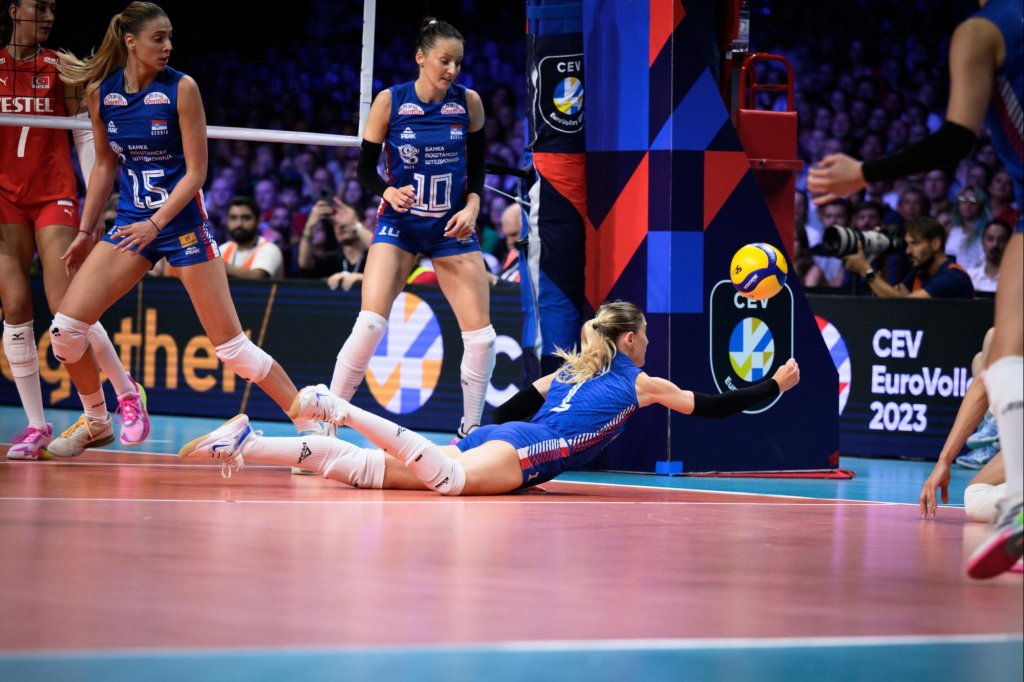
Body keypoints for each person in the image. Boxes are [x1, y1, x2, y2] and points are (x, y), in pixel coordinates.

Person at [44, 1, 319, 457]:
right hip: (131, 225)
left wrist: (156, 224)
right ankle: (97, 419)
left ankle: (312, 427)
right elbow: (104, 167)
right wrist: (86, 231)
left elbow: (196, 173)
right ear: (131, 42)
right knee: (66, 331)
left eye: (170, 37)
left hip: (181, 225)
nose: (168, 45)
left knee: (232, 349)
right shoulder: (101, 94)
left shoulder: (182, 88)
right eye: (158, 38)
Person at [808, 0, 1022, 579]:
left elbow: (954, 139)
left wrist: (862, 173)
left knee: (1003, 355)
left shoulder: (981, 31)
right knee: (1001, 357)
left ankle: (1019, 500)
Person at [179, 301, 801, 496]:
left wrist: (473, 435)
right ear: (631, 339)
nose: (648, 343)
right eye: (645, 336)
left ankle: (249, 444)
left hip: (503, 437)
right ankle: (335, 407)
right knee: (447, 483)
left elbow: (513, 406)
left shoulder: (569, 372)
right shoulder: (640, 382)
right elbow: (713, 405)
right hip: (529, 451)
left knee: (369, 472)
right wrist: (775, 384)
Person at [330, 18, 495, 439]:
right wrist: (387, 191)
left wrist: (473, 205)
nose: (452, 70)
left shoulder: (469, 103)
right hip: (400, 226)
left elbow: (477, 167)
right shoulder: (390, 101)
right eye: (444, 61)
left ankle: (470, 431)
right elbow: (365, 170)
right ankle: (325, 427)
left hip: (450, 228)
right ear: (421, 58)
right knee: (370, 324)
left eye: (458, 62)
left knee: (482, 339)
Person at [1, 0, 148, 459]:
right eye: (38, 8)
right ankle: (35, 426)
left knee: (67, 307)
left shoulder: (59, 68)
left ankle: (126, 392)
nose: (47, 17)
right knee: (15, 306)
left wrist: (95, 207)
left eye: (52, 9)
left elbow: (85, 135)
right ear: (14, 10)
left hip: (53, 193)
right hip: (5, 196)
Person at [841, 216, 974, 299]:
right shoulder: (920, 272)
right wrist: (882, 257)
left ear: (935, 244)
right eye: (907, 244)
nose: (908, 251)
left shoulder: (953, 277)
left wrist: (865, 270)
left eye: (915, 243)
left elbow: (905, 305)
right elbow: (889, 296)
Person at [219, 196, 283, 279]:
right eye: (233, 218)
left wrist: (218, 266)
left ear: (258, 221)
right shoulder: (224, 249)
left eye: (246, 218)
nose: (239, 224)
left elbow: (257, 278)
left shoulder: (270, 249)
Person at [967, 218, 1012, 293]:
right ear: (982, 242)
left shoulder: (1017, 279)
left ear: (1010, 244)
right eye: (990, 239)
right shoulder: (970, 277)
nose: (995, 244)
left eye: (1001, 240)